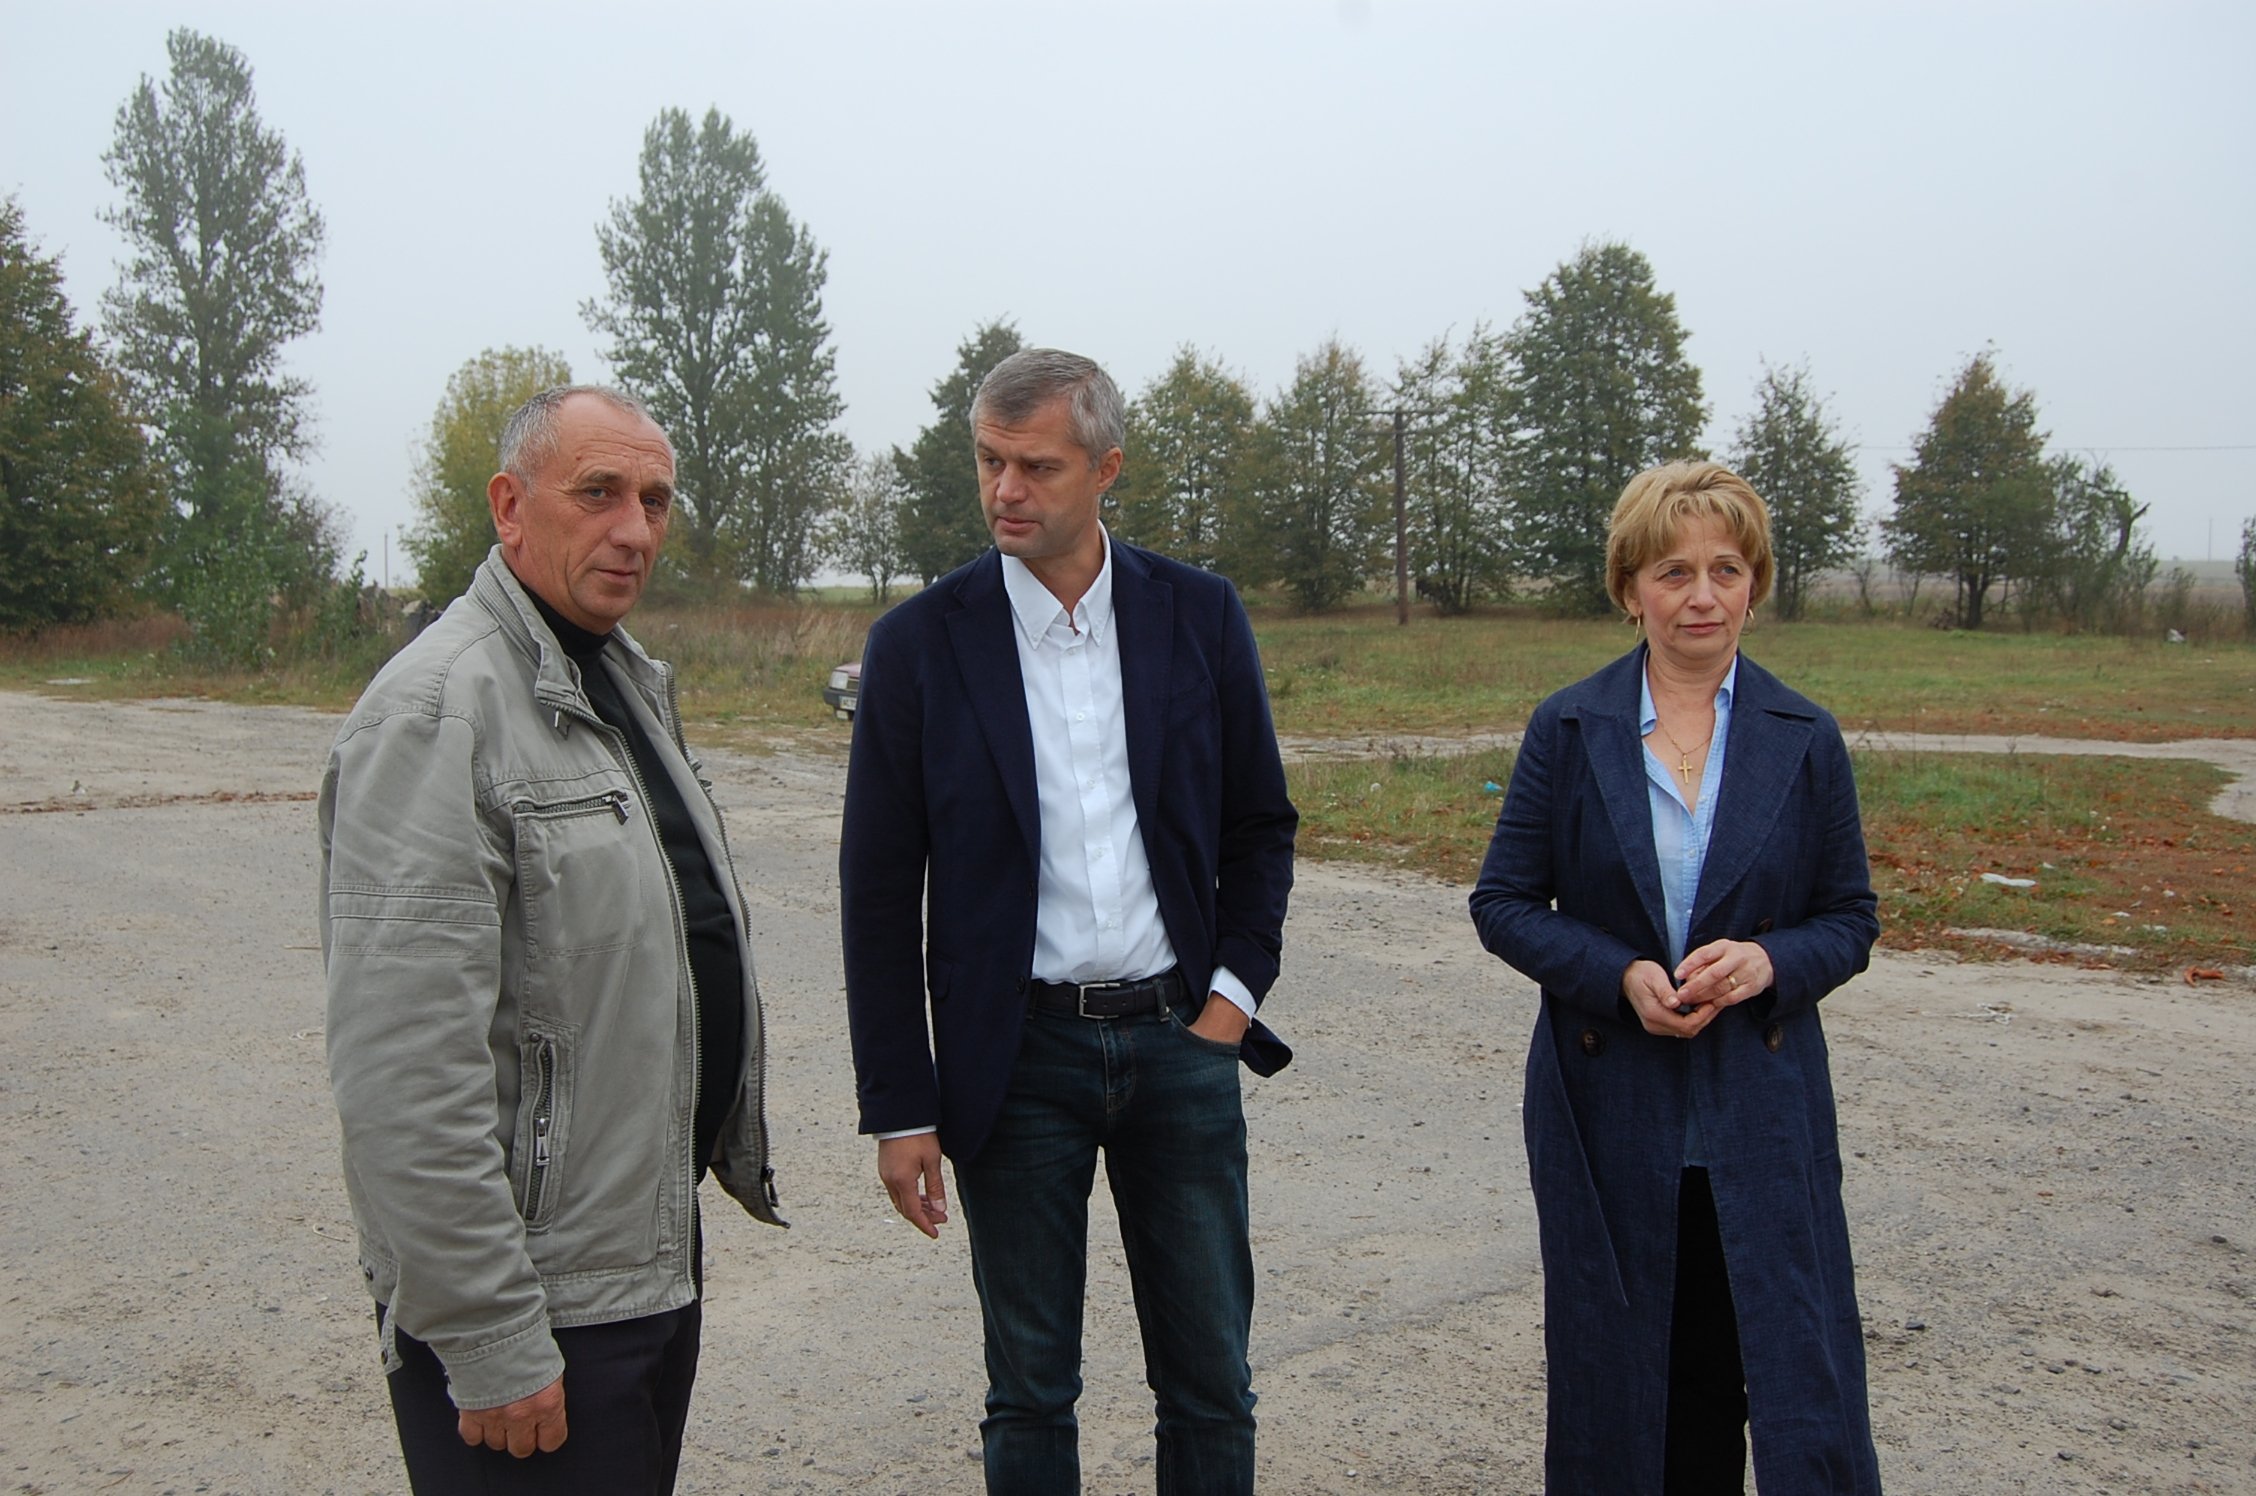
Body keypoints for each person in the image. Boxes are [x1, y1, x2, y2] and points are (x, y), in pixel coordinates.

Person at [840, 348, 1298, 1494]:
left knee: (1211, 1379)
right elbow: (879, 889)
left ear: (1106, 469)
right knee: (1030, 1390)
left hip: (1181, 1040)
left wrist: (1232, 996)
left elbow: (1259, 823)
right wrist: (901, 1103)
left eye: (1036, 465)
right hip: (1016, 1060)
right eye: (989, 460)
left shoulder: (1197, 614)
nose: (1005, 489)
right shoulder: (919, 644)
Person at [319, 386, 784, 1494]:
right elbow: (404, 1071)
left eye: (655, 500)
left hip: (635, 1265)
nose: (635, 529)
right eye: (599, 493)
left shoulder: (614, 679)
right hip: (538, 1298)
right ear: (510, 504)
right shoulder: (440, 710)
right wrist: (487, 1334)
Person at [1468, 461, 1882, 1494]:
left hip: (1762, 1111)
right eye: (1674, 571)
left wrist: (1769, 961)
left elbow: (1850, 919)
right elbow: (1504, 901)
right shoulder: (1569, 728)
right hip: (1612, 1111)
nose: (1702, 595)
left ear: (1756, 585)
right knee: (1634, 1394)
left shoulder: (1805, 736)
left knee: (1780, 1369)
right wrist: (1619, 976)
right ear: (1630, 589)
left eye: (1726, 569)